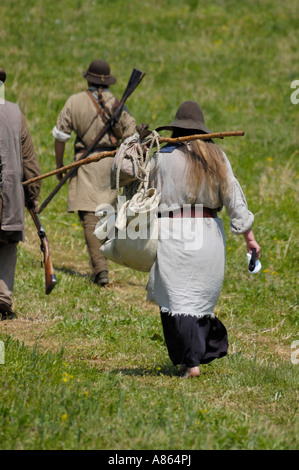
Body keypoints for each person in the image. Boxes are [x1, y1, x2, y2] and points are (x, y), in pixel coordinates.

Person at [146, 101, 261, 378]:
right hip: (209, 234)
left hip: (175, 233)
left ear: (176, 130)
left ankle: (191, 362)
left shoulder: (162, 157)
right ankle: (193, 357)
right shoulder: (218, 158)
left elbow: (140, 190)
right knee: (195, 300)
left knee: (176, 301)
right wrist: (249, 237)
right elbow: (235, 199)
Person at [52, 60, 136, 286]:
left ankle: (101, 270)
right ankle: (103, 266)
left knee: (90, 220)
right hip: (110, 165)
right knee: (106, 215)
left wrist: (60, 165)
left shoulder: (74, 102)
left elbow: (60, 137)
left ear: (87, 78)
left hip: (85, 164)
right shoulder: (118, 104)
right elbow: (131, 136)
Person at [0, 68, 41, 320]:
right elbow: (30, 163)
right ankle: (2, 297)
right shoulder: (15, 113)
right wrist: (31, 194)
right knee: (6, 245)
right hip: (10, 198)